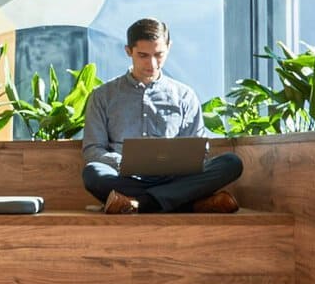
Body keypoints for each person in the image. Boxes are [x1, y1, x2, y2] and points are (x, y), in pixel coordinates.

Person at [81, 17, 244, 214]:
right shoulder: (103, 96)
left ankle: (140, 204)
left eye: (159, 55)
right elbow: (93, 150)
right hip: (125, 179)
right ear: (128, 51)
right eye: (143, 55)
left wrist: (180, 163)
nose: (152, 63)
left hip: (176, 178)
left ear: (169, 48)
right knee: (92, 173)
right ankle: (187, 203)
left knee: (231, 163)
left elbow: (199, 151)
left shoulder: (185, 96)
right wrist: (122, 162)